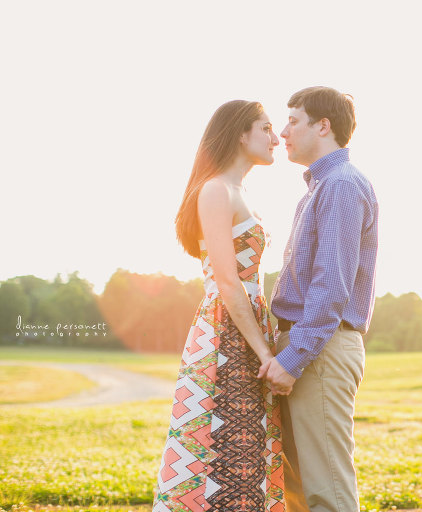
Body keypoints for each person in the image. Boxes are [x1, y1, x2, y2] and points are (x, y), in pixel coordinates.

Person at [153, 100, 285, 512]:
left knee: (248, 448)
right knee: (219, 445)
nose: (276, 138)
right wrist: (264, 352)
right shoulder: (215, 190)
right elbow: (227, 281)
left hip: (246, 326)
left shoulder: (239, 192)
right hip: (225, 333)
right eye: (266, 128)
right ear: (241, 134)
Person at [259, 86, 379, 511]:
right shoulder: (320, 187)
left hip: (320, 350)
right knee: (299, 493)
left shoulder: (341, 186)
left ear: (323, 126)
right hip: (307, 346)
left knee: (327, 492)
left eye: (293, 121)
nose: (282, 132)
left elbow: (330, 288)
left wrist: (293, 358)